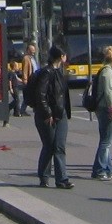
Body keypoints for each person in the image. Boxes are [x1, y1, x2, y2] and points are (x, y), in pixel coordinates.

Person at [32, 45, 73, 189]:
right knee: (49, 146)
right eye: (64, 55)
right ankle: (44, 177)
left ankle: (62, 179)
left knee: (59, 146)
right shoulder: (47, 73)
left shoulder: (59, 72)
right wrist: (47, 113)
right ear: (61, 57)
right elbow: (40, 95)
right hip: (47, 116)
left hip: (60, 115)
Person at [90, 45, 112, 180]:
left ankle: (107, 169)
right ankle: (99, 170)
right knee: (106, 141)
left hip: (103, 107)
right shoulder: (107, 72)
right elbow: (108, 92)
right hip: (105, 108)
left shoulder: (108, 70)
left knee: (106, 140)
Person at [18, 42, 39, 115]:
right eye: (32, 50)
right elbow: (25, 70)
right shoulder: (26, 58)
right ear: (28, 50)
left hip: (34, 79)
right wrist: (25, 80)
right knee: (28, 96)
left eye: (34, 50)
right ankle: (22, 110)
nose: (33, 51)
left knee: (32, 95)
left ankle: (33, 109)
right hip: (29, 80)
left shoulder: (32, 58)